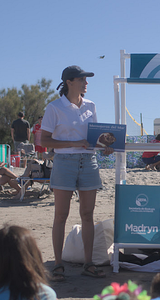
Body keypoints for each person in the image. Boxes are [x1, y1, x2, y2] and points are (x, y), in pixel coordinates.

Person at [39, 65, 114, 279]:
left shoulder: (91, 106)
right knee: (61, 215)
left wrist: (106, 148)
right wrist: (74, 143)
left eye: (86, 79)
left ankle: (89, 263)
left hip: (89, 161)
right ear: (69, 82)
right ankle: (58, 264)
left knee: (88, 215)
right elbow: (44, 140)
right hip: (64, 162)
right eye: (82, 79)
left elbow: (97, 139)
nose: (86, 83)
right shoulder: (54, 107)